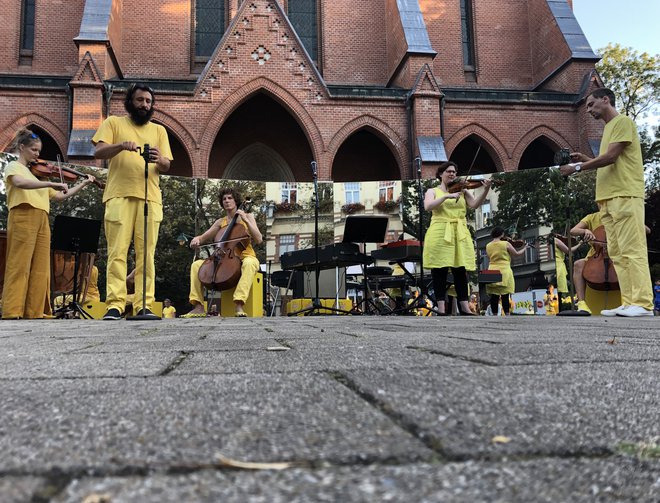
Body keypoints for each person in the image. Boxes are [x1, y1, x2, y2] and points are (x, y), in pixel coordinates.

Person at [560, 87, 653, 317]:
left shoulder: (622, 122)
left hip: (625, 195)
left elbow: (611, 157)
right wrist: (587, 159)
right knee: (619, 253)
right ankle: (629, 301)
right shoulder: (609, 129)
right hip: (608, 199)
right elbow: (609, 162)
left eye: (591, 104)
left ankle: (643, 304)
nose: (588, 110)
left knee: (633, 250)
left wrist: (579, 167)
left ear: (605, 99)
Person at [92, 83, 173, 320]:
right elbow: (98, 153)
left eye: (148, 101)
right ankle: (115, 305)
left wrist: (160, 159)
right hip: (119, 195)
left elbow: (167, 165)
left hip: (150, 199)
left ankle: (144, 305)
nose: (144, 105)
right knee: (117, 252)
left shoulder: (159, 131)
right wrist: (120, 146)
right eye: (140, 100)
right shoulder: (114, 123)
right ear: (130, 102)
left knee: (146, 255)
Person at [2, 128, 95, 319]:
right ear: (22, 147)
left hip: (42, 218)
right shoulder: (14, 167)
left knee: (40, 267)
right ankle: (12, 310)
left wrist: (83, 183)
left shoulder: (39, 175)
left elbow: (61, 195)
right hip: (23, 214)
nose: (38, 154)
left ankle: (34, 310)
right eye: (34, 150)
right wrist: (50, 184)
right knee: (19, 264)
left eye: (38, 151)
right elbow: (20, 183)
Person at [423, 161, 492, 315]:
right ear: (440, 174)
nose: (452, 174)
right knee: (439, 270)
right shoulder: (432, 191)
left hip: (459, 232)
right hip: (440, 231)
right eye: (449, 171)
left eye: (454, 172)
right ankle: (441, 308)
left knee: (460, 270)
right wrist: (447, 196)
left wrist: (486, 189)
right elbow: (428, 206)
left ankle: (465, 307)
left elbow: (474, 204)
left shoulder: (463, 190)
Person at [183, 188, 262, 318]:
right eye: (224, 199)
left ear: (235, 200)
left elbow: (258, 239)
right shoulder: (220, 222)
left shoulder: (248, 217)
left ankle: (239, 304)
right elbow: (203, 237)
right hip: (225, 258)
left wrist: (246, 220)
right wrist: (197, 239)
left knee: (249, 263)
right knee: (196, 265)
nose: (227, 201)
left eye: (230, 198)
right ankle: (198, 306)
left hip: (246, 256)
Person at [485, 227, 528, 316]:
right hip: (504, 269)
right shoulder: (505, 243)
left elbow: (489, 257)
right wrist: (525, 248)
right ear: (501, 234)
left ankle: (494, 314)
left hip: (492, 269)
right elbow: (516, 254)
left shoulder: (488, 245)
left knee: (494, 295)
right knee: (505, 294)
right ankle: (507, 314)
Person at [553, 235, 582, 311]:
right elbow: (568, 250)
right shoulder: (556, 240)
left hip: (555, 265)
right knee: (559, 291)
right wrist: (579, 244)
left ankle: (557, 309)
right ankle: (560, 309)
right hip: (558, 265)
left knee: (556, 290)